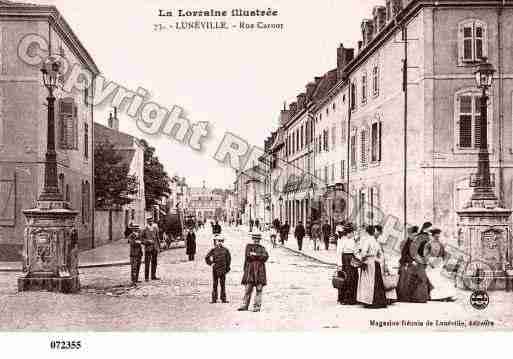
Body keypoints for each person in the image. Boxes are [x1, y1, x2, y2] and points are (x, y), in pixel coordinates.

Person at [356, 225, 388, 308]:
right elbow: (379, 253)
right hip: (375, 262)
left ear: (367, 232)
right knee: (376, 281)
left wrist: (361, 258)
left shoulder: (367, 240)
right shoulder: (375, 241)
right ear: (373, 232)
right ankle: (379, 301)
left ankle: (369, 301)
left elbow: (363, 253)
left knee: (368, 282)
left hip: (368, 263)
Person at [238, 233, 269, 312]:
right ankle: (244, 305)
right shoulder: (248, 246)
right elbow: (248, 256)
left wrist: (255, 255)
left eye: (258, 240)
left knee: (259, 290)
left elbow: (265, 257)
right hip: (250, 271)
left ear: (259, 240)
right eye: (255, 239)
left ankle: (257, 307)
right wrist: (259, 256)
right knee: (248, 289)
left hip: (260, 272)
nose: (256, 241)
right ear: (253, 239)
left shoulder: (262, 248)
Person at [425, 228, 456, 302]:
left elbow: (444, 254)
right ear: (433, 235)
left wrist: (444, 263)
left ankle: (446, 296)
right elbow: (425, 254)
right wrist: (430, 262)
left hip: (439, 263)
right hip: (431, 264)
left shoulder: (441, 244)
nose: (437, 237)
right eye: (436, 235)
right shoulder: (428, 244)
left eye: (438, 236)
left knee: (443, 280)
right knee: (433, 280)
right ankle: (434, 297)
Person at [408, 222, 434, 303]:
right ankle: (420, 298)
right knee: (421, 279)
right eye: (429, 228)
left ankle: (422, 297)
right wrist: (417, 259)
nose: (431, 230)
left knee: (422, 279)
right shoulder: (420, 236)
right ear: (425, 228)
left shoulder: (426, 236)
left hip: (422, 260)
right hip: (419, 260)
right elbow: (414, 249)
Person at [336, 223, 359, 305]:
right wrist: (339, 264)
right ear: (348, 233)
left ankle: (352, 298)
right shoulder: (342, 240)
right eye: (351, 233)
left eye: (353, 233)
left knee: (354, 278)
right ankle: (344, 298)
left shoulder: (353, 240)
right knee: (346, 279)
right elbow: (339, 252)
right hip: (345, 259)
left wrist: (358, 259)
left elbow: (355, 251)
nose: (352, 234)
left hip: (352, 259)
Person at [205, 236, 231, 303]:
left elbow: (229, 260)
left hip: (223, 269)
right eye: (218, 241)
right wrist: (211, 263)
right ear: (216, 242)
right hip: (215, 269)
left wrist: (227, 268)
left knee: (223, 284)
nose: (220, 242)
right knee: (215, 284)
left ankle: (223, 299)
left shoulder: (226, 250)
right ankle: (214, 299)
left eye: (221, 241)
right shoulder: (213, 250)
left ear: (223, 242)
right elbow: (207, 257)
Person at [397, 226, 418, 302]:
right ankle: (404, 297)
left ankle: (410, 296)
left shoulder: (413, 242)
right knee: (405, 280)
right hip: (406, 263)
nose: (415, 237)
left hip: (412, 263)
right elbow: (404, 254)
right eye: (414, 235)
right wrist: (410, 261)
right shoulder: (407, 242)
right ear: (410, 235)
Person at [141, 217, 161, 281]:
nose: (150, 222)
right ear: (147, 222)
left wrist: (159, 247)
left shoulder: (155, 228)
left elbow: (158, 238)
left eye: (151, 221)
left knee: (154, 262)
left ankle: (153, 275)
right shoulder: (144, 229)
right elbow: (141, 239)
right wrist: (147, 241)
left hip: (155, 248)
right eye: (149, 221)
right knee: (147, 263)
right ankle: (146, 277)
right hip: (148, 248)